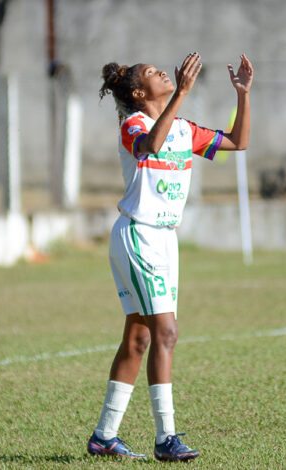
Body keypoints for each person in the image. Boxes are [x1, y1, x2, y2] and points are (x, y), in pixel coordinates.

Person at [87, 52, 253, 462]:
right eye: (150, 73)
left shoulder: (183, 129)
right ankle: (166, 439)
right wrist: (181, 92)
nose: (161, 70)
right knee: (167, 332)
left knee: (140, 336)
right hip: (138, 236)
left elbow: (238, 141)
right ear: (140, 93)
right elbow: (150, 145)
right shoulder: (134, 124)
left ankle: (104, 436)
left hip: (165, 240)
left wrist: (243, 94)